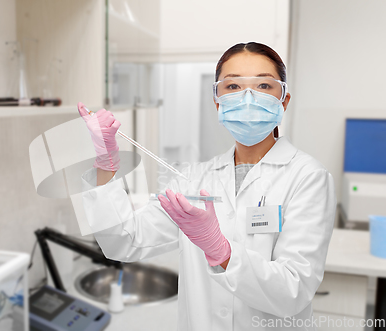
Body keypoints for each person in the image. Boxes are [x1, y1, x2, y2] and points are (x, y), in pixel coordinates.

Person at [77, 42, 336, 331]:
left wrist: (221, 251)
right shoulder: (194, 180)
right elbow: (123, 242)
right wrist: (106, 164)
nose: (247, 97)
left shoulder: (308, 177)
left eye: (263, 85)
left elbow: (294, 291)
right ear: (218, 100)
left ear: (283, 100)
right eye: (233, 86)